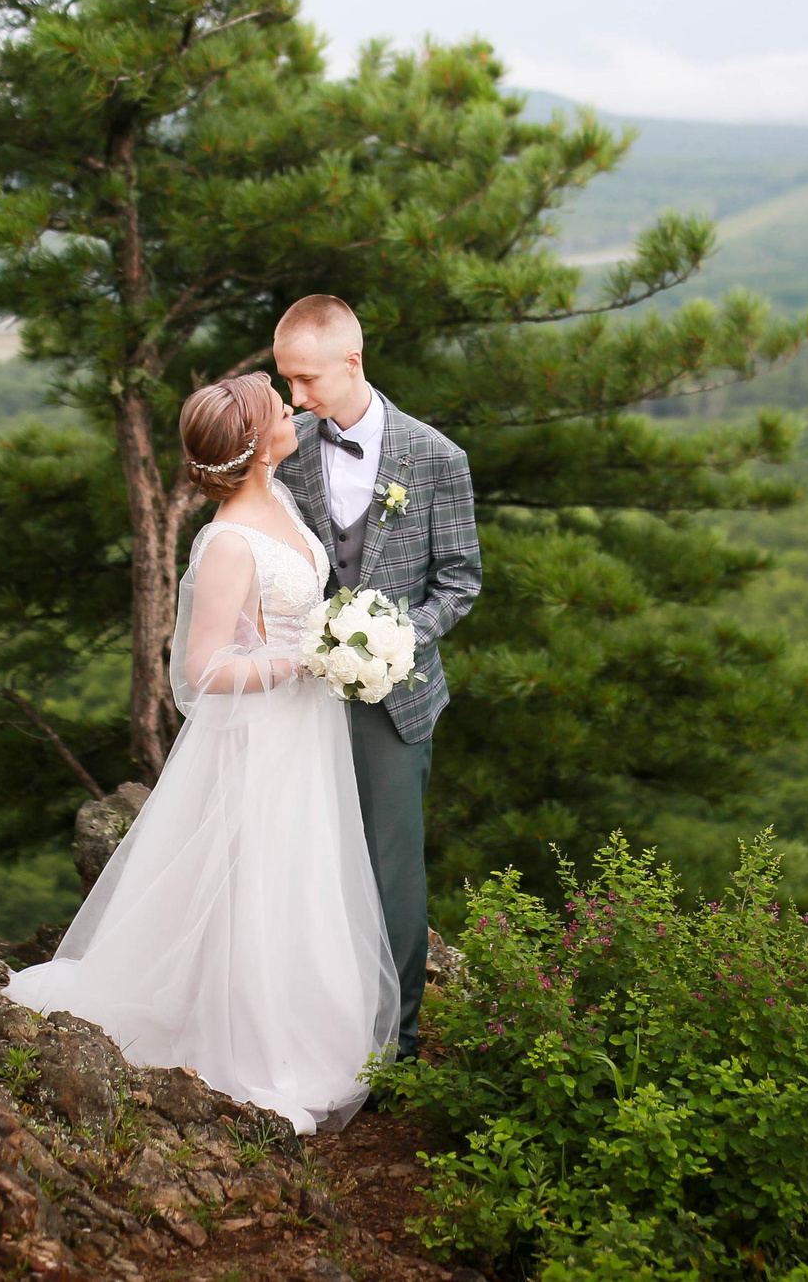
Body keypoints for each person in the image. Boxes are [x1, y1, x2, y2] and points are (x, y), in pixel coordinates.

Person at [4, 374, 398, 1134]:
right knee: (257, 879)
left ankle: (308, 1020)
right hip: (262, 738)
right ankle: (251, 1043)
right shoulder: (226, 543)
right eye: (278, 408)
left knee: (304, 871)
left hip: (306, 730)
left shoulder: (279, 499)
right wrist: (299, 659)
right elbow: (201, 670)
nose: (292, 410)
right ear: (255, 445)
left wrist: (344, 641)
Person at [272, 294, 482, 1062]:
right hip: (299, 694)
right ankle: (311, 1023)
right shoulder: (286, 448)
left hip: (397, 699)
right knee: (305, 857)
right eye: (286, 379)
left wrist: (393, 640)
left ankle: (397, 1041)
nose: (296, 396)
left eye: (306, 378)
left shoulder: (435, 457)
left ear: (352, 361)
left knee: (392, 867)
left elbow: (459, 581)